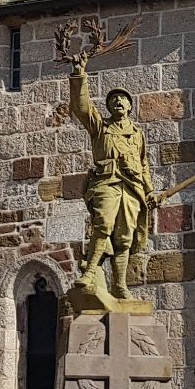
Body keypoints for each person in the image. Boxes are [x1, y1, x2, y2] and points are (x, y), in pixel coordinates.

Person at [69, 55, 152, 300]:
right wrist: (79, 75)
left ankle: (119, 285)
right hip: (106, 182)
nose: (117, 101)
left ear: (129, 106)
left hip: (132, 187)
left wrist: (149, 191)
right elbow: (81, 107)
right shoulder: (100, 126)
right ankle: (90, 272)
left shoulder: (137, 134)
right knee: (103, 224)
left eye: (122, 98)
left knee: (124, 237)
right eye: (113, 99)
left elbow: (143, 163)